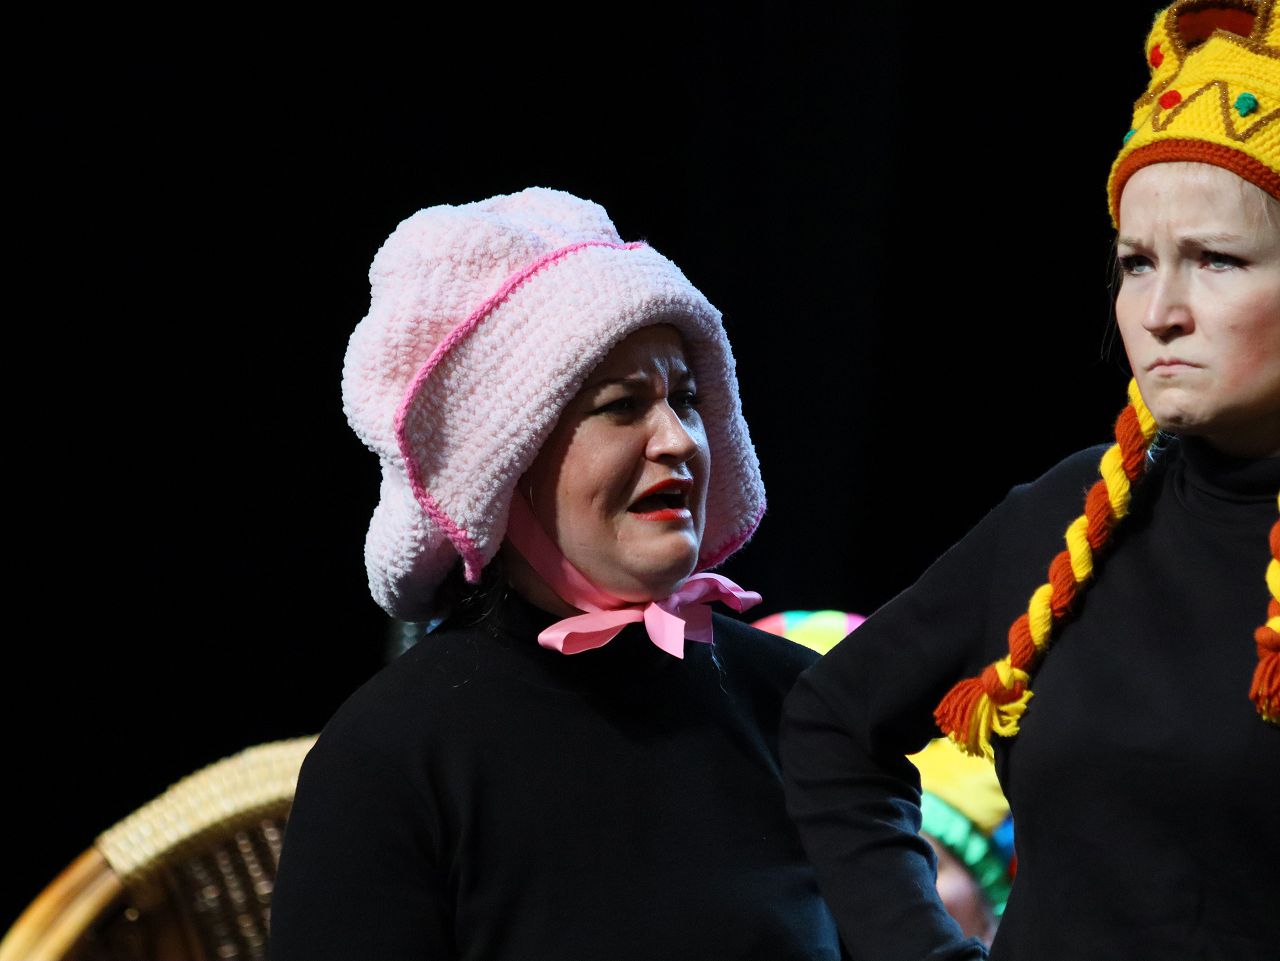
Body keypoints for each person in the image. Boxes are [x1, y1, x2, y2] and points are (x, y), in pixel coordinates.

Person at [780, 3, 1279, 959]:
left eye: (1217, 259)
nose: (1161, 311)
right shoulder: (1065, 518)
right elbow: (829, 722)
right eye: (1136, 263)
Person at [269, 187, 843, 961]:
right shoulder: (392, 759)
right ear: (508, 461)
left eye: (684, 397)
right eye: (622, 405)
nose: (677, 438)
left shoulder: (797, 706)